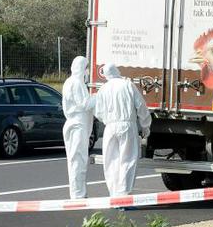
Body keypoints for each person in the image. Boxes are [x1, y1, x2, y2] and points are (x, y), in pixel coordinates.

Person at [94, 64, 151, 196]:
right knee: (128, 159)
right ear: (117, 71)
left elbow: (98, 112)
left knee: (111, 161)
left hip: (110, 127)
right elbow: (141, 106)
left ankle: (114, 193)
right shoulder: (127, 85)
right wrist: (145, 125)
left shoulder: (103, 89)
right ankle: (124, 193)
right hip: (127, 125)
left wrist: (108, 120)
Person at [62, 56, 95, 199]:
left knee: (76, 159)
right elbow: (84, 104)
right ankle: (78, 194)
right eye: (87, 68)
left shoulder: (70, 81)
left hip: (75, 124)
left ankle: (78, 192)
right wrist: (99, 97)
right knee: (78, 160)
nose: (88, 72)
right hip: (78, 124)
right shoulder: (76, 83)